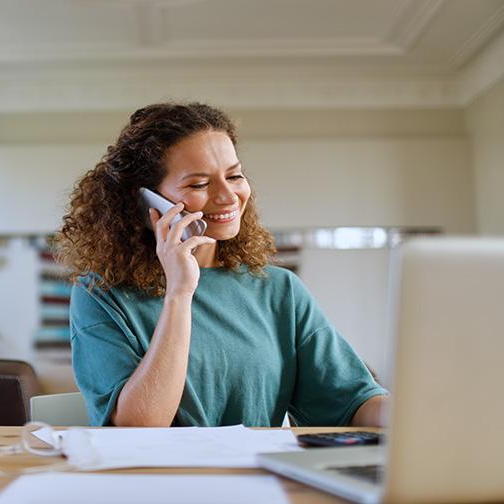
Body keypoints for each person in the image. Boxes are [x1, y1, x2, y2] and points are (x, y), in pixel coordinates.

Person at [56, 102, 387, 427]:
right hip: (156, 465)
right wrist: (179, 293)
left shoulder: (279, 290)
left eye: (234, 176)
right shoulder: (101, 293)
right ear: (145, 203)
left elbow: (353, 400)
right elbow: (140, 424)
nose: (228, 196)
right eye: (199, 184)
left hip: (256, 464)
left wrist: (408, 413)